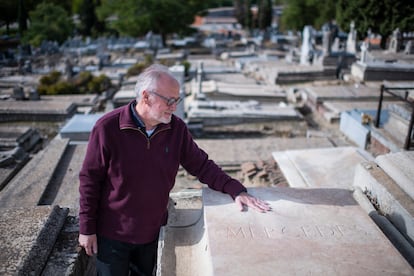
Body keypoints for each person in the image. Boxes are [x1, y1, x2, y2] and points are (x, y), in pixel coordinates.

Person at [78, 64, 271, 276]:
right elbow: (90, 180)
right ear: (146, 97)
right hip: (112, 235)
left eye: (176, 100)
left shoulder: (176, 128)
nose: (174, 106)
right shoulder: (107, 128)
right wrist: (87, 228)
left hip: (153, 233)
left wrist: (236, 190)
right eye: (169, 100)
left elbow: (201, 165)